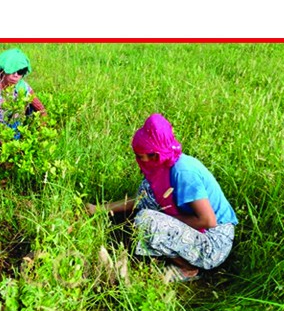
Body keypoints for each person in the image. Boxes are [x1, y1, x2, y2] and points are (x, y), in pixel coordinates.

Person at [86, 113, 237, 282]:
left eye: (139, 156)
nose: (137, 160)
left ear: (155, 155)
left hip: (213, 242)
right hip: (198, 230)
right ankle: (170, 248)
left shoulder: (184, 173)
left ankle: (189, 269)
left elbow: (208, 221)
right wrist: (100, 209)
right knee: (148, 196)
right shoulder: (162, 168)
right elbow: (141, 199)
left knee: (146, 221)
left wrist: (165, 219)